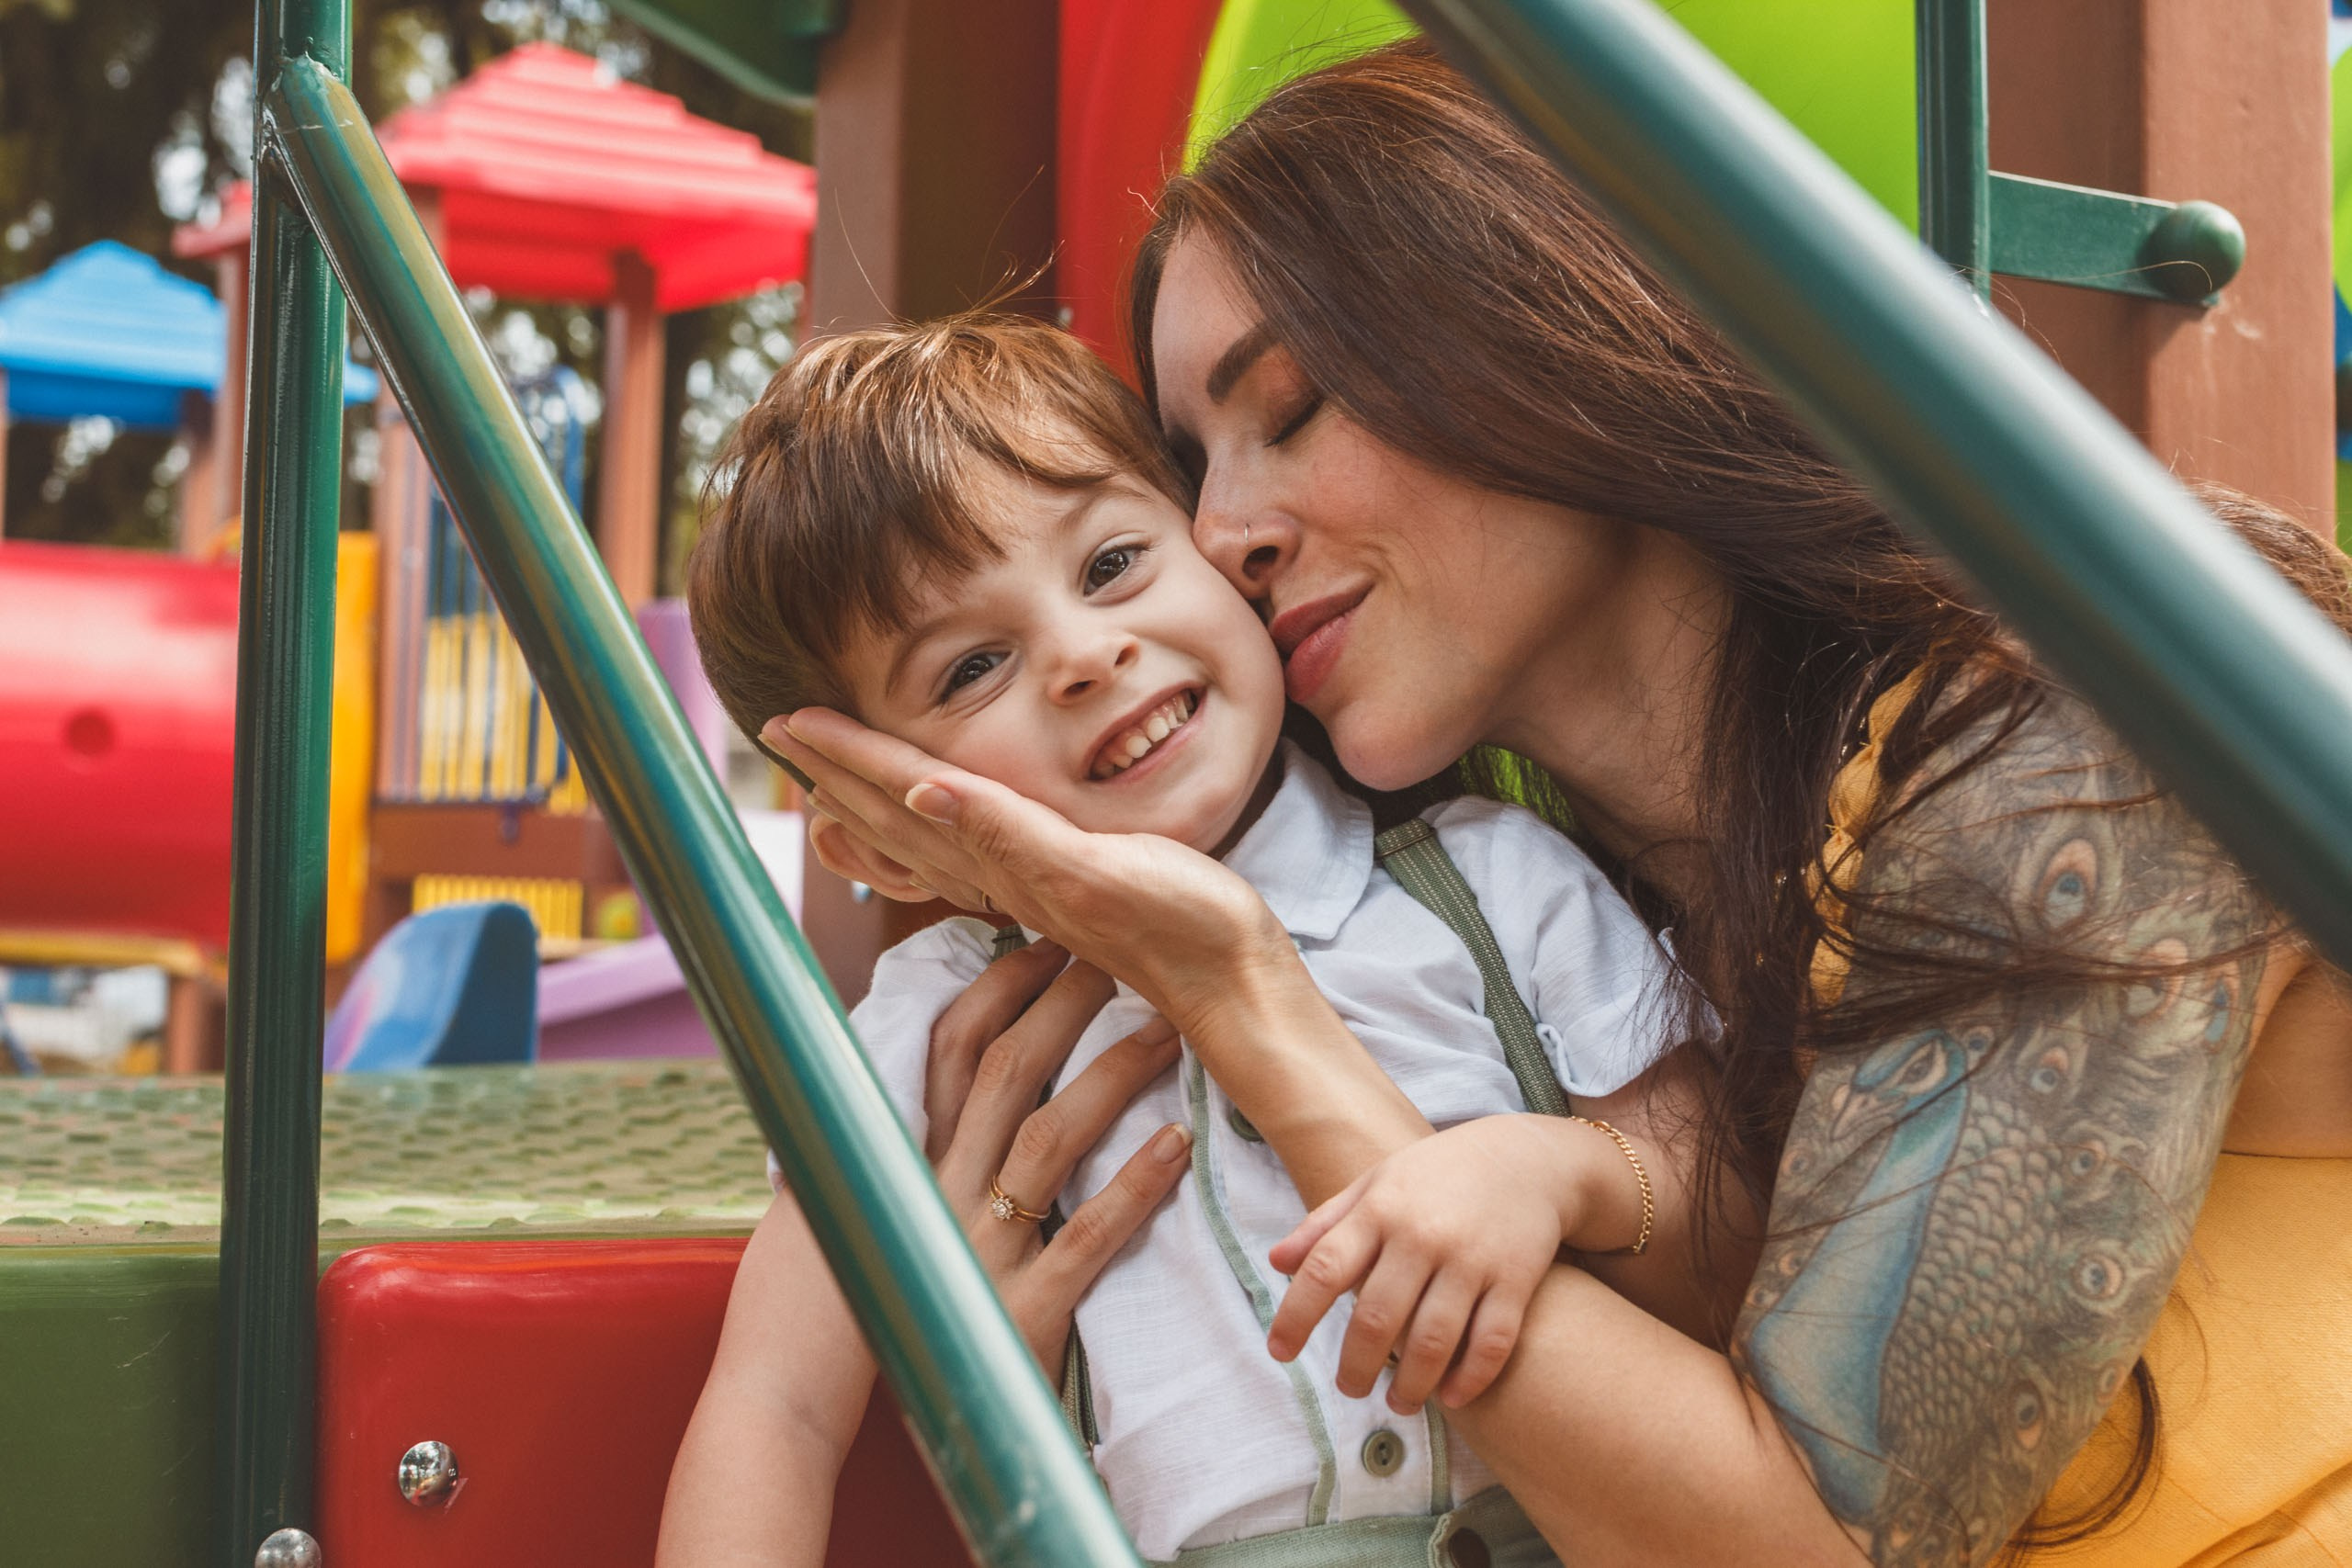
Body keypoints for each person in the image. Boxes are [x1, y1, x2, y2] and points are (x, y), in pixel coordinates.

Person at [763, 39, 2352, 1568]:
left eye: (1291, 411)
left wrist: (1240, 997)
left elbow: (1809, 1546)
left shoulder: (2055, 731)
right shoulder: (1594, 924)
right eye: (1193, 478)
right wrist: (1016, 1392)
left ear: (1537, 325)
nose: (1226, 533)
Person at [660, 313, 1713, 1565]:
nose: (1084, 654)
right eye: (971, 668)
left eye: (1112, 563)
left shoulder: (1489, 880)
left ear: (1218, 555)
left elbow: (1721, 1212)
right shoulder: (938, 1022)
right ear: (883, 842)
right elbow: (773, 1409)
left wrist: (1552, 1173)